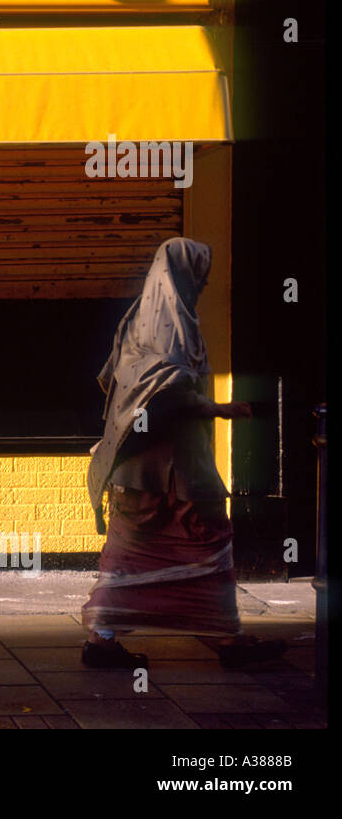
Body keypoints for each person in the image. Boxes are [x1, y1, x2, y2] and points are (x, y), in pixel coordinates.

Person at [81, 237, 287, 670]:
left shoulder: (145, 315)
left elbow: (116, 380)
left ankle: (103, 638)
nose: (204, 280)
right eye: (199, 271)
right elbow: (164, 391)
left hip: (142, 470)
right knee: (206, 543)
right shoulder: (166, 322)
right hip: (171, 469)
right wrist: (220, 408)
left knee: (133, 553)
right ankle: (228, 641)